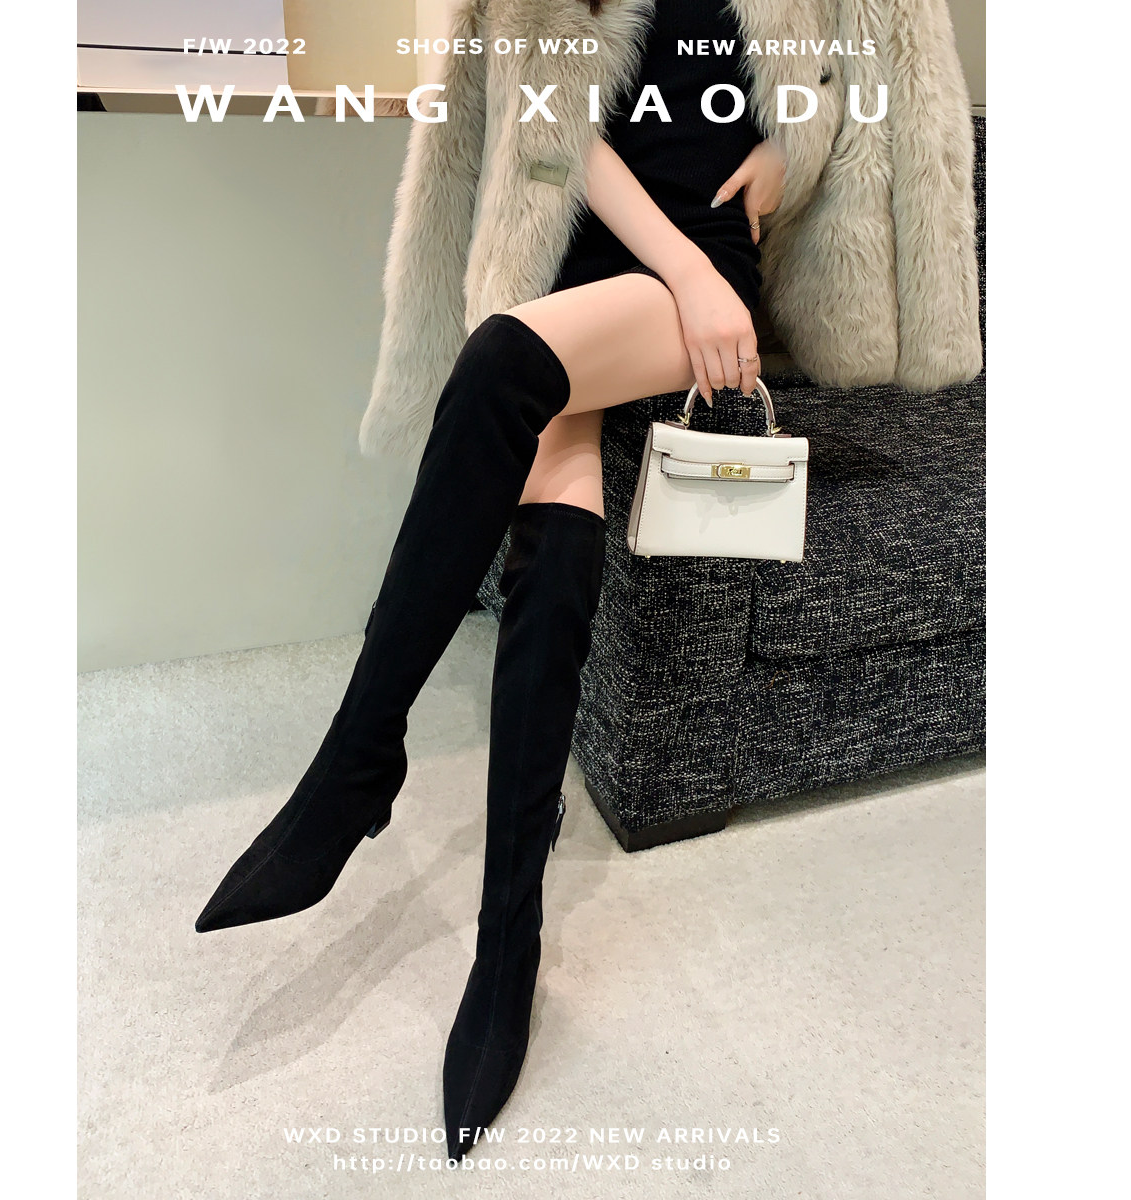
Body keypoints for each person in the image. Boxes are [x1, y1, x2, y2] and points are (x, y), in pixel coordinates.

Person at [195, 0, 981, 1163]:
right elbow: (551, 102)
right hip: (579, 249)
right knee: (553, 540)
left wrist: (790, 150)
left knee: (502, 367)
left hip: (702, 267)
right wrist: (680, 264)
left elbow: (831, 80)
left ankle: (357, 768)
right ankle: (506, 945)